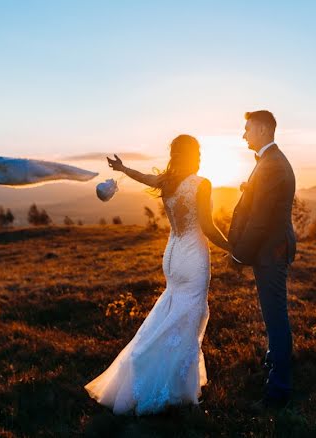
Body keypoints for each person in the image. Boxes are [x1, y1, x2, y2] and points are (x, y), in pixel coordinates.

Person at [84, 134, 230, 415]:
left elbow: (142, 177)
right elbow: (209, 228)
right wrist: (234, 247)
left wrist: (123, 169)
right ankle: (175, 388)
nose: (200, 157)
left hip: (172, 255)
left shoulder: (168, 181)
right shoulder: (201, 184)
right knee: (189, 318)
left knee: (173, 311)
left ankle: (153, 368)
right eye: (197, 152)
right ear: (192, 155)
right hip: (193, 257)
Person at [228, 110, 297, 410]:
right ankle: (274, 362)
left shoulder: (272, 166)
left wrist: (238, 254)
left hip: (271, 251)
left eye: (248, 129)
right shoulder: (268, 162)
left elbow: (260, 219)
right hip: (268, 249)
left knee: (275, 316)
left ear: (264, 129)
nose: (244, 135)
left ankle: (279, 389)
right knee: (272, 314)